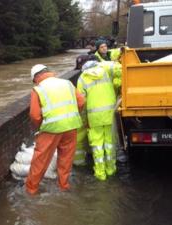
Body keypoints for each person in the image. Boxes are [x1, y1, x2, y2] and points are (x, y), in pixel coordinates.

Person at [26, 64, 84, 195]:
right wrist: (73, 115)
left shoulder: (38, 89)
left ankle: (31, 190)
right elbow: (81, 102)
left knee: (40, 160)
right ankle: (63, 185)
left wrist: (40, 126)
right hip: (71, 126)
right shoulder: (67, 83)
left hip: (51, 129)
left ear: (37, 77)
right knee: (66, 159)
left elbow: (34, 115)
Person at [77, 61, 118, 181]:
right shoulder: (106, 71)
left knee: (97, 145)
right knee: (110, 143)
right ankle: (111, 169)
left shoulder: (82, 78)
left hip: (94, 117)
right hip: (110, 114)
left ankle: (100, 173)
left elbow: (81, 102)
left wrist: (84, 120)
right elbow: (119, 71)